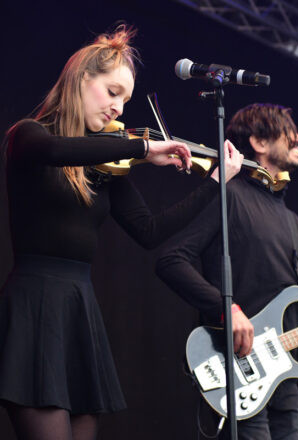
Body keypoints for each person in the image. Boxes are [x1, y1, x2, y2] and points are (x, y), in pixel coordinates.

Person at [0, 25, 243, 440]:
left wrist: (215, 183)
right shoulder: (30, 135)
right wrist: (142, 148)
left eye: (125, 100)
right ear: (81, 79)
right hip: (34, 307)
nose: (118, 108)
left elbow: (149, 232)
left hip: (79, 309)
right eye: (112, 92)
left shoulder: (107, 167)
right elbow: (58, 151)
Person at [156, 103, 298, 440]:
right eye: (288, 131)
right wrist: (227, 309)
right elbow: (171, 259)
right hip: (236, 369)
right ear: (260, 143)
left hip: (285, 382)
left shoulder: (296, 225)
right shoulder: (227, 196)